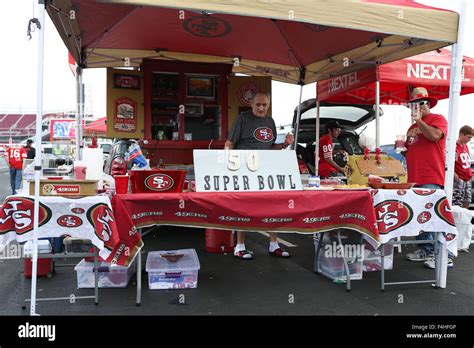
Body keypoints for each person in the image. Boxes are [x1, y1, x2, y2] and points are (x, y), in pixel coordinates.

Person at [225, 91, 294, 260]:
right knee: (242, 207)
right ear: (251, 104)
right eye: (258, 104)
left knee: (272, 206)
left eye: (264, 105)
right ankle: (239, 246)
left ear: (268, 105)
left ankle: (274, 245)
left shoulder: (270, 121)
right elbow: (229, 144)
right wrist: (229, 165)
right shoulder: (243, 119)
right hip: (244, 170)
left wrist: (284, 144)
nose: (261, 108)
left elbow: (270, 147)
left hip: (265, 170)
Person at [402, 87, 454, 268]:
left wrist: (419, 122)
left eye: (418, 104)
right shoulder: (411, 127)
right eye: (412, 105)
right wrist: (402, 147)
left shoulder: (438, 119)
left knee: (434, 215)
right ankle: (426, 249)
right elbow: (411, 149)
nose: (415, 108)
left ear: (427, 104)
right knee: (419, 215)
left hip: (431, 175)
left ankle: (444, 255)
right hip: (415, 177)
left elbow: (434, 136)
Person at [453, 125, 473, 209]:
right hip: (459, 178)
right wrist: (455, 175)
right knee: (457, 200)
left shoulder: (465, 146)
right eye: (468, 137)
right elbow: (449, 162)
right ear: (461, 135)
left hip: (467, 177)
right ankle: (458, 219)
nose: (469, 140)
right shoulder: (454, 147)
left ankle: (465, 217)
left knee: (467, 199)